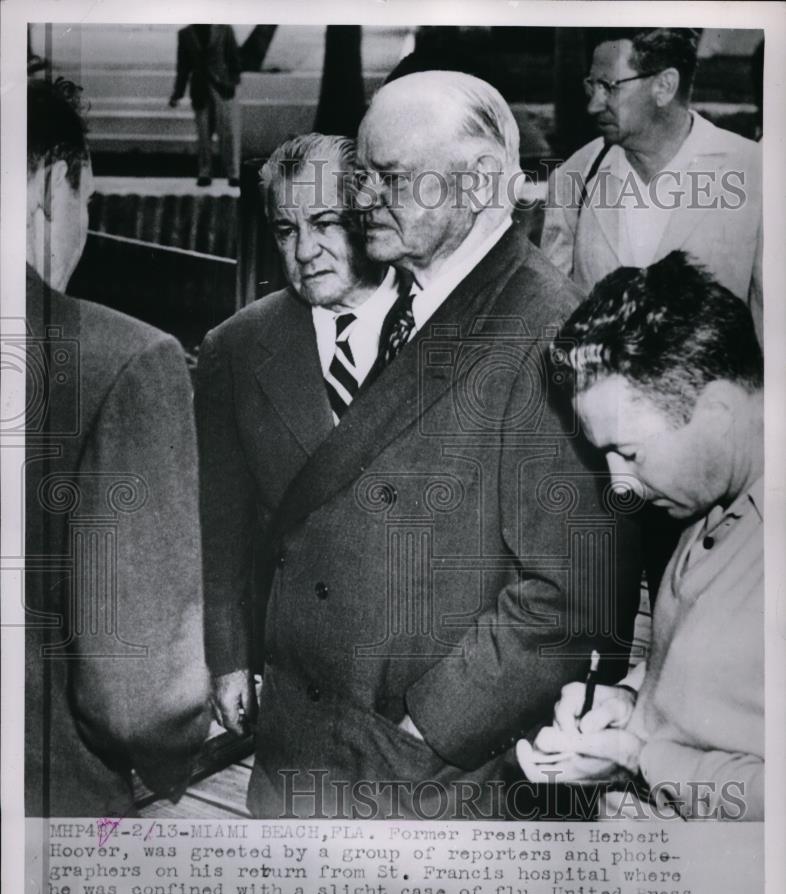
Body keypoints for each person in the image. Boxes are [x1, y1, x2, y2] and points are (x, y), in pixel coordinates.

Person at [197, 73, 640, 821]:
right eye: (363, 175)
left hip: (423, 782)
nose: (365, 198)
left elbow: (569, 598)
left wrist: (424, 727)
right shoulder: (407, 297)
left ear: (476, 184)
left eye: (390, 178)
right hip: (310, 753)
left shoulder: (547, 328)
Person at [517, 251, 764, 821]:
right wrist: (630, 704)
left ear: (719, 412)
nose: (618, 484)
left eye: (628, 453)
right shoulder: (705, 504)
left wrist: (638, 757)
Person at [25, 78, 210, 817]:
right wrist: (168, 762)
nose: (85, 227)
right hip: (47, 813)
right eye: (87, 202)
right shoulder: (123, 362)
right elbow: (140, 697)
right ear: (48, 185)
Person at [541, 28, 762, 343]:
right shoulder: (575, 176)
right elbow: (554, 319)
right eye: (592, 85)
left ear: (665, 86)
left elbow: (773, 333)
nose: (593, 105)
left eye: (609, 86)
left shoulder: (753, 171)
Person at [169, 24, 241, 187]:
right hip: (199, 88)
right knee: (203, 133)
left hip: (223, 88)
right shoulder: (185, 34)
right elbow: (183, 66)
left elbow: (233, 56)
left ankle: (233, 173)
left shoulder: (224, 29)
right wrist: (177, 94)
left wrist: (232, 82)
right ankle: (205, 172)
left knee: (228, 131)